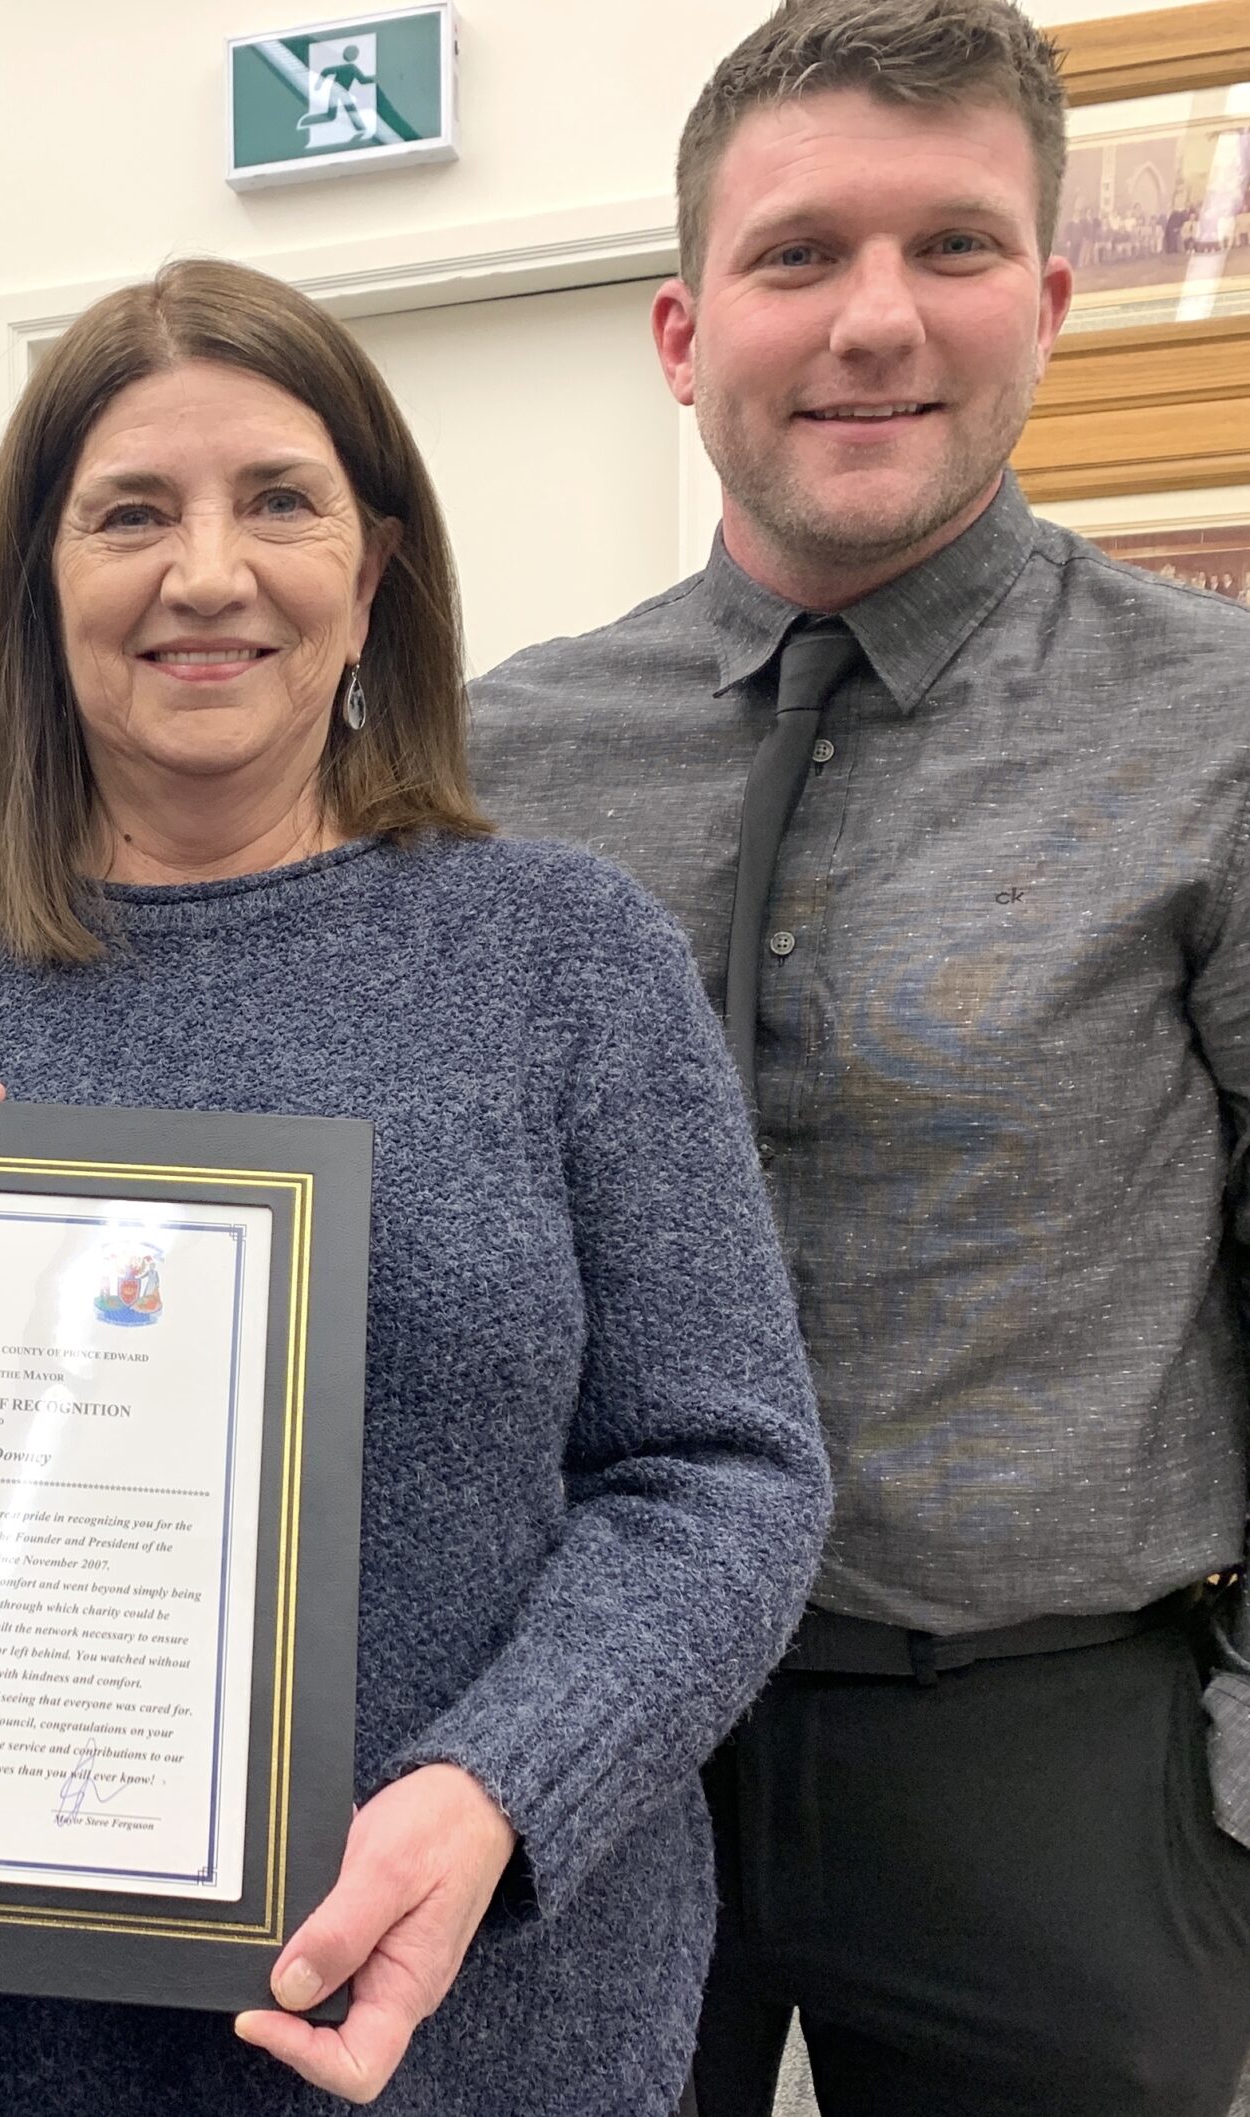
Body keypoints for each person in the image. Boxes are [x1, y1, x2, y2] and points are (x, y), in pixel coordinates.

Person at [0, 256, 831, 2116]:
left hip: (490, 2028)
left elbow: (729, 1468)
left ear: (374, 568)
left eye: (281, 501)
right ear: (41, 583)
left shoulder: (564, 959)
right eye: (131, 513)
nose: (208, 572)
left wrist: (498, 1787)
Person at [463, 3, 1250, 2112]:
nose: (873, 322)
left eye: (954, 248)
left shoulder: (1218, 733)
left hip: (1050, 1759)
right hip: (582, 1737)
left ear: (1051, 305)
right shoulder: (488, 756)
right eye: (798, 254)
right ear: (676, 326)